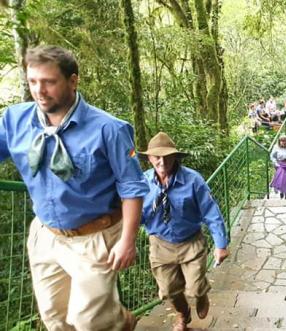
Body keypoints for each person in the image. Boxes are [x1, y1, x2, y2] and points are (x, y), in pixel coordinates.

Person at [0, 45, 147, 330]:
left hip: (95, 237)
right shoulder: (15, 120)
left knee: (88, 321)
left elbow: (132, 187)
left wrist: (127, 240)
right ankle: (115, 318)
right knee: (55, 319)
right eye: (33, 81)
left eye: (49, 82)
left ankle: (118, 321)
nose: (39, 90)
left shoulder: (109, 129)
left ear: (73, 80)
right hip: (46, 235)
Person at [139, 132, 230, 331]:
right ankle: (183, 313)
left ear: (175, 157)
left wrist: (221, 245)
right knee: (168, 291)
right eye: (157, 157)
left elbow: (211, 212)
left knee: (195, 287)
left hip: (191, 241)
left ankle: (200, 295)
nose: (162, 162)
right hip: (160, 243)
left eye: (167, 156)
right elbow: (134, 215)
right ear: (149, 159)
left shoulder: (193, 180)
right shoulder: (142, 183)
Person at [270, 135, 286, 199]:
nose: (283, 142)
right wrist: (275, 163)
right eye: (281, 141)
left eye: (285, 141)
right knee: (281, 179)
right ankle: (281, 192)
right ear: (279, 142)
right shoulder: (276, 147)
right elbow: (272, 156)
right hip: (280, 164)